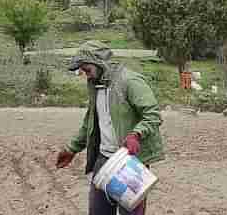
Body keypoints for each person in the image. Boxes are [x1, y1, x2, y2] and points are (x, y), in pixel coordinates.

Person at [55, 41, 164, 215]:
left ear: (100, 63)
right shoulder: (95, 86)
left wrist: (136, 134)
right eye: (83, 71)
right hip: (104, 160)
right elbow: (90, 122)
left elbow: (153, 114)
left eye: (87, 70)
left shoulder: (130, 81)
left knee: (131, 212)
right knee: (98, 211)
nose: (86, 75)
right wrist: (71, 148)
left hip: (129, 162)